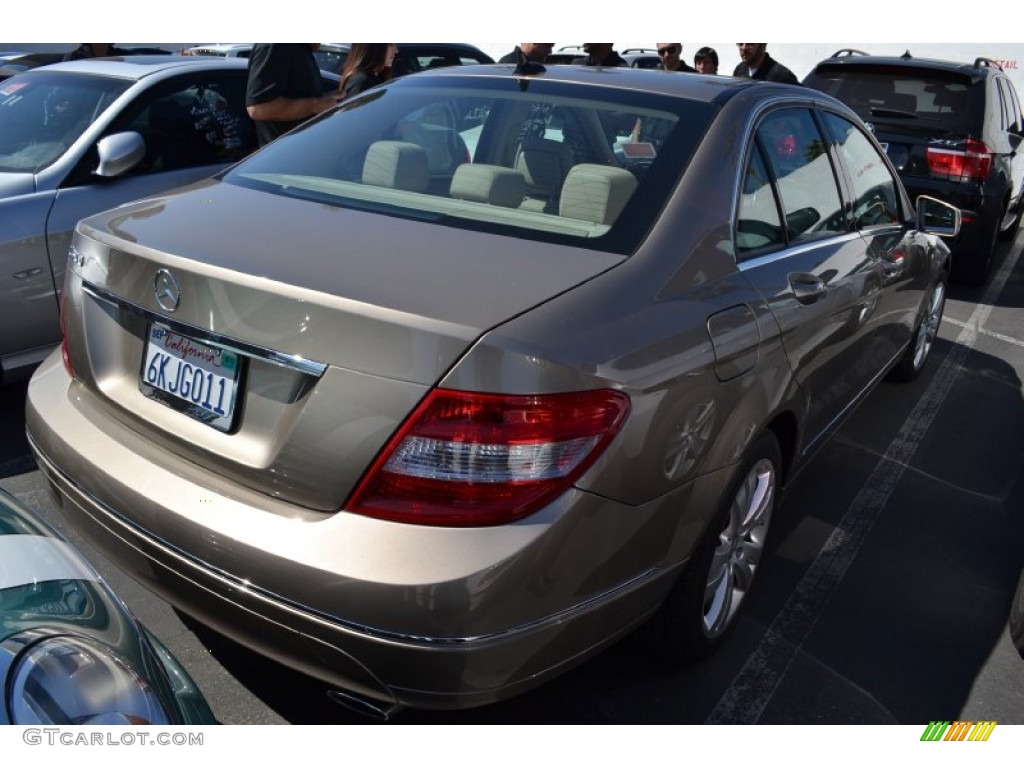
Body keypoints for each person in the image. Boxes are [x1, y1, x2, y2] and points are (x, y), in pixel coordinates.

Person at [245, 43, 342, 146]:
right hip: (284, 155)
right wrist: (316, 105)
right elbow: (259, 108)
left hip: (302, 151)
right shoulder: (277, 45)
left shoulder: (299, 48)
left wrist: (325, 99)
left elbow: (298, 93)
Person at [732, 44, 798, 84]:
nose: (744, 48)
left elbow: (802, 100)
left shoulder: (781, 76)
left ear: (763, 45)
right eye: (740, 44)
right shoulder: (739, 70)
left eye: (750, 43)